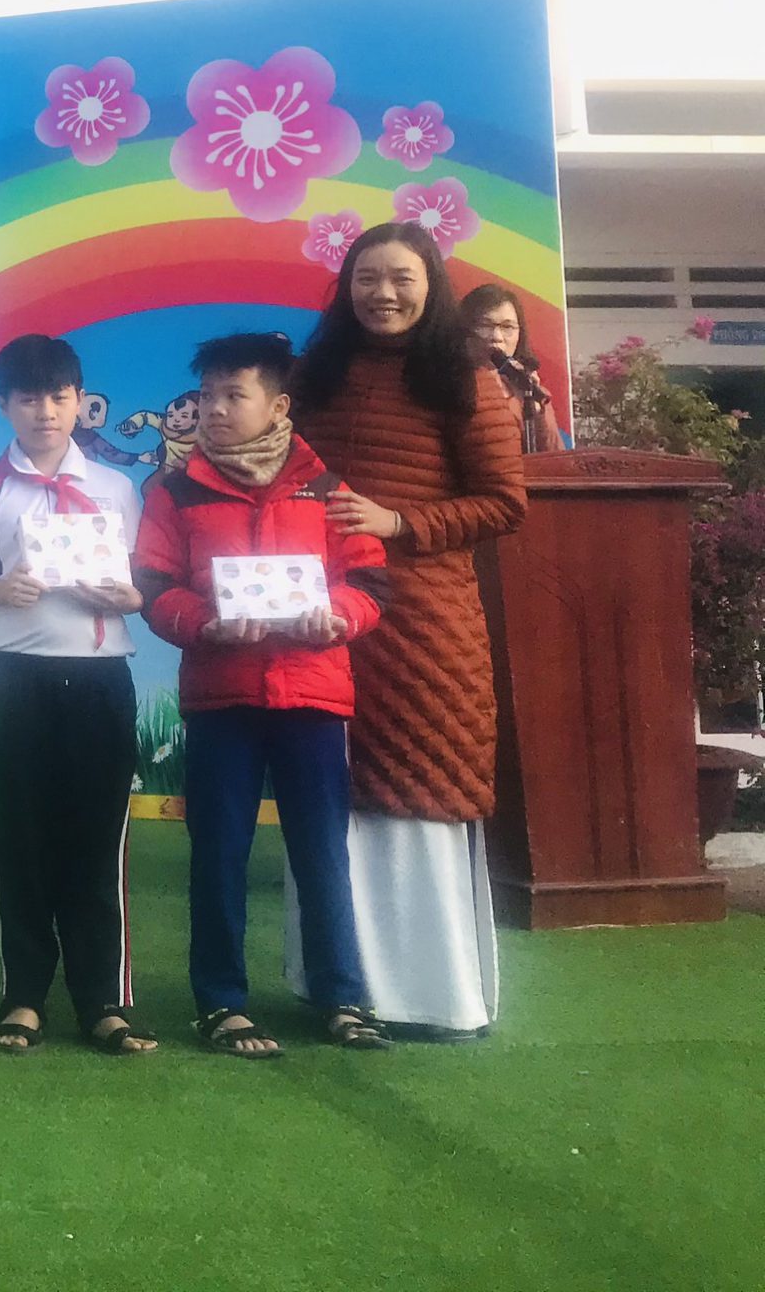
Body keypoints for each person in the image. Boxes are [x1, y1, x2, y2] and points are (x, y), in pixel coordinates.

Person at [292, 222, 526, 1038]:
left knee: (423, 786)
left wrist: (398, 521)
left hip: (426, 624)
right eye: (366, 278)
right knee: (333, 790)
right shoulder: (317, 372)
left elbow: (504, 503)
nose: (382, 294)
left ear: (433, 286)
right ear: (345, 286)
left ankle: (432, 996)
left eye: (401, 278)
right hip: (327, 615)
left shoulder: (465, 376)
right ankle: (334, 984)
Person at [134, 333, 391, 1057]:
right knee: (219, 854)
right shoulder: (173, 490)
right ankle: (221, 1003)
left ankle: (342, 997)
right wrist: (205, 623)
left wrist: (339, 617)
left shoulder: (328, 487)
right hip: (222, 700)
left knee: (322, 853)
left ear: (278, 406)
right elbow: (154, 588)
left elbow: (369, 581)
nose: (213, 410)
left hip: (313, 696)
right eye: (205, 396)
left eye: (232, 395)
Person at [0, 334, 151, 1057]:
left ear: (80, 399)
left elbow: (143, 585)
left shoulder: (117, 488)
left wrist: (128, 596)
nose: (46, 412)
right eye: (29, 399)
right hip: (19, 679)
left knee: (98, 844)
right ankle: (23, 995)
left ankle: (103, 1001)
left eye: (59, 397)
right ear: (4, 405)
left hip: (101, 679)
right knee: (21, 841)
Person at [460, 282, 558, 453]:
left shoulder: (529, 390)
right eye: (485, 325)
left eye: (507, 327)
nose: (496, 337)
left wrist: (535, 409)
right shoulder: (446, 384)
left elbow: (555, 459)